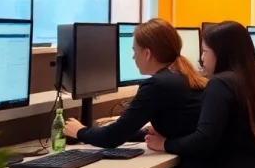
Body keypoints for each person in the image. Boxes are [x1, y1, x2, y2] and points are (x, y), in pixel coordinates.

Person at [146, 21, 255, 168]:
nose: (201, 59)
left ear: (221, 53)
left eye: (205, 52)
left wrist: (165, 143)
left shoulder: (220, 83)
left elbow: (204, 140)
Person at [64, 18, 206, 148]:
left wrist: (79, 131)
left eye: (135, 51)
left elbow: (112, 137)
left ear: (147, 53)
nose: (133, 57)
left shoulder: (157, 85)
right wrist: (144, 133)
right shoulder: (185, 76)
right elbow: (125, 131)